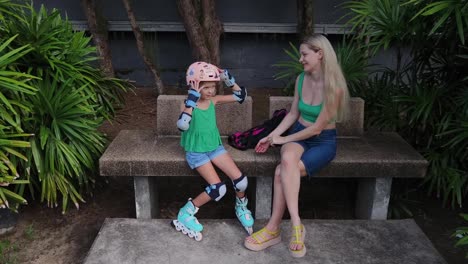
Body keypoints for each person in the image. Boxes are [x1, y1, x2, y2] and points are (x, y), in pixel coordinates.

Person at [244, 34, 350, 258]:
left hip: (322, 141)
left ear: (320, 54)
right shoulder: (301, 79)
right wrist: (272, 136)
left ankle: (273, 229)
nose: (300, 59)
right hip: (297, 135)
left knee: (282, 171)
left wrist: (282, 140)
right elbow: (293, 113)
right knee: (287, 160)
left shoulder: (335, 88)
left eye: (304, 54)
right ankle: (296, 225)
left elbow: (317, 129)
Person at [172, 61, 254, 241]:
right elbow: (182, 125)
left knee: (241, 182)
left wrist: (228, 79)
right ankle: (186, 212)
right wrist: (191, 101)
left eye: (213, 87)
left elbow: (240, 96)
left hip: (214, 147)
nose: (211, 91)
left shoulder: (213, 101)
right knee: (218, 189)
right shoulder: (187, 104)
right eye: (206, 87)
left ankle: (241, 206)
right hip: (197, 152)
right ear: (195, 85)